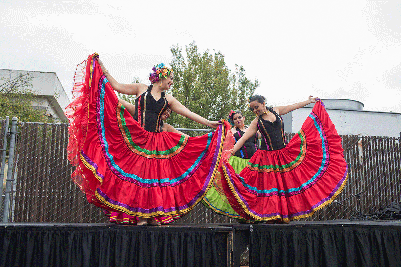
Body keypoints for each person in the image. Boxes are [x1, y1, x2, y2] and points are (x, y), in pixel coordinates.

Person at [66, 53, 230, 225]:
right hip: (136, 137)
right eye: (171, 78)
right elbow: (116, 86)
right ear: (162, 76)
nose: (171, 82)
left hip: (157, 142)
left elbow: (188, 113)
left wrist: (209, 123)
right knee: (137, 177)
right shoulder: (141, 88)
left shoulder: (169, 99)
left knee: (154, 179)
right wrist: (102, 67)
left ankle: (152, 216)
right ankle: (141, 216)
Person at [220, 95, 348, 223]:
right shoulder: (256, 122)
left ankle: (283, 216)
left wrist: (308, 101)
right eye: (253, 109)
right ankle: (270, 217)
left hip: (283, 154)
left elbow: (291, 107)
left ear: (263, 103)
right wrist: (229, 153)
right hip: (267, 158)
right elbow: (242, 139)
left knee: (287, 185)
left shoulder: (276, 110)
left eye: (256, 107)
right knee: (270, 189)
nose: (255, 110)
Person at [202, 110, 259, 219]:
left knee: (253, 189)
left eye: (239, 117)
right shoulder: (231, 132)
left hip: (253, 163)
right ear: (232, 121)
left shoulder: (252, 130)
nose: (238, 120)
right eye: (235, 119)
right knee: (240, 190)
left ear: (244, 118)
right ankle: (243, 215)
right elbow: (224, 143)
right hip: (238, 162)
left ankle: (254, 213)